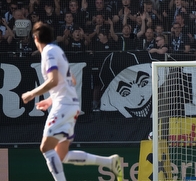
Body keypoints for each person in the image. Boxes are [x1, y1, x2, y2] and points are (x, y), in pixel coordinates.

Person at [20, 23, 124, 181]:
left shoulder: (49, 52)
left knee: (46, 148)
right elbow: (72, 80)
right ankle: (109, 162)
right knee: (61, 155)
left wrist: (31, 94)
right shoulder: (57, 51)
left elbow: (54, 81)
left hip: (63, 106)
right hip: (70, 105)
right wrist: (50, 99)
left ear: (35, 38)